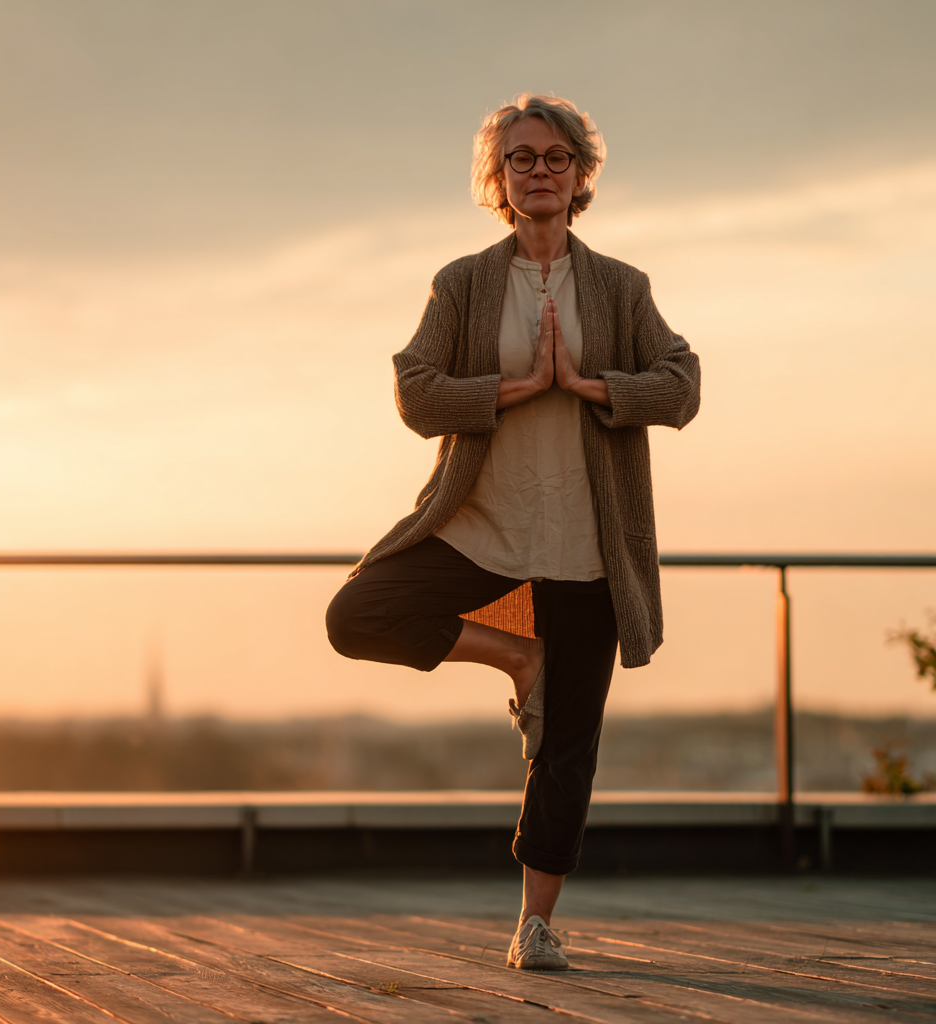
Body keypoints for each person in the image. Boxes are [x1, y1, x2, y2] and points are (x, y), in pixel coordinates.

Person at [326, 94, 700, 970]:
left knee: (568, 746)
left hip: (586, 547)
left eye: (556, 157)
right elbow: (416, 394)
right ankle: (514, 659)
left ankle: (534, 922)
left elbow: (681, 385)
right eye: (521, 158)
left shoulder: (621, 287)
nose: (539, 171)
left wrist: (595, 383)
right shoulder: (462, 283)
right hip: (481, 529)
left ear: (581, 176)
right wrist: (518, 387)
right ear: (498, 179)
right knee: (357, 614)